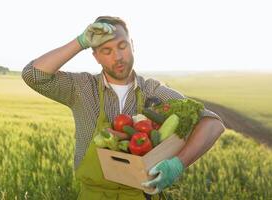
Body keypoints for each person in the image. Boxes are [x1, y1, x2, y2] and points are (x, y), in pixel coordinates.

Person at [22, 16, 225, 200]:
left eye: (122, 46)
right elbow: (33, 75)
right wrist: (80, 42)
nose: (117, 57)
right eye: (106, 50)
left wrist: (177, 165)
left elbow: (212, 123)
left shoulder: (152, 91)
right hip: (93, 196)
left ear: (132, 45)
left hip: (141, 195)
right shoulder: (82, 88)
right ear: (96, 56)